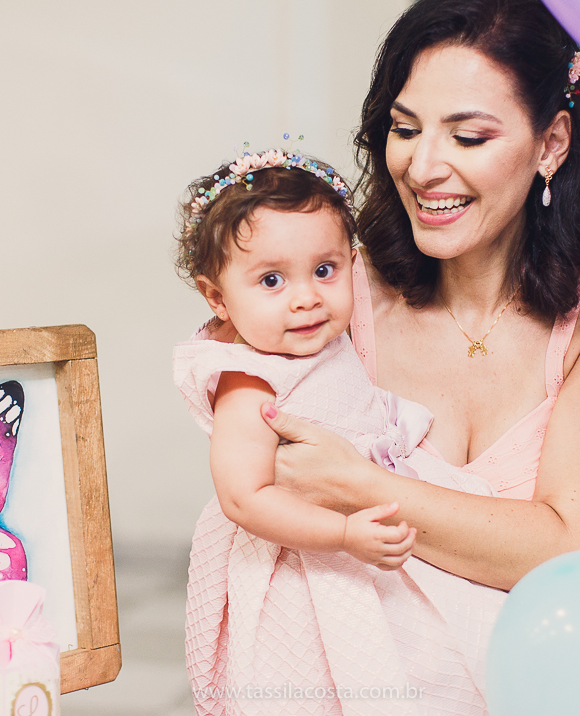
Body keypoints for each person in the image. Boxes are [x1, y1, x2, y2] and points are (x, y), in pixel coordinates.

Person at [263, 0, 580, 617]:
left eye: (467, 138)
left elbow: (575, 544)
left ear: (551, 144)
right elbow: (258, 474)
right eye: (405, 129)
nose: (422, 168)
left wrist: (360, 486)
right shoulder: (334, 292)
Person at [175, 149, 512, 715]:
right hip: (301, 558)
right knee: (322, 680)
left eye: (324, 270)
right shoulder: (250, 379)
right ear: (217, 298)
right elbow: (243, 495)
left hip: (367, 523)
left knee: (429, 653)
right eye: (272, 280)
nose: (306, 297)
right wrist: (342, 534)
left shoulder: (331, 342)